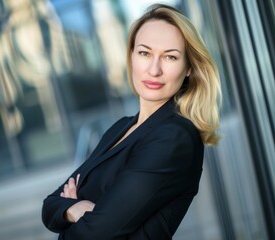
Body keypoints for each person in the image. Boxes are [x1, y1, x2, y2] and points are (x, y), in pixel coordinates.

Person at [42, 3, 221, 239]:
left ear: (188, 68)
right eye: (145, 53)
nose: (154, 70)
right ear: (132, 55)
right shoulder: (121, 127)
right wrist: (75, 210)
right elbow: (50, 205)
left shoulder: (173, 137)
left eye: (170, 57)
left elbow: (95, 234)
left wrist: (74, 211)